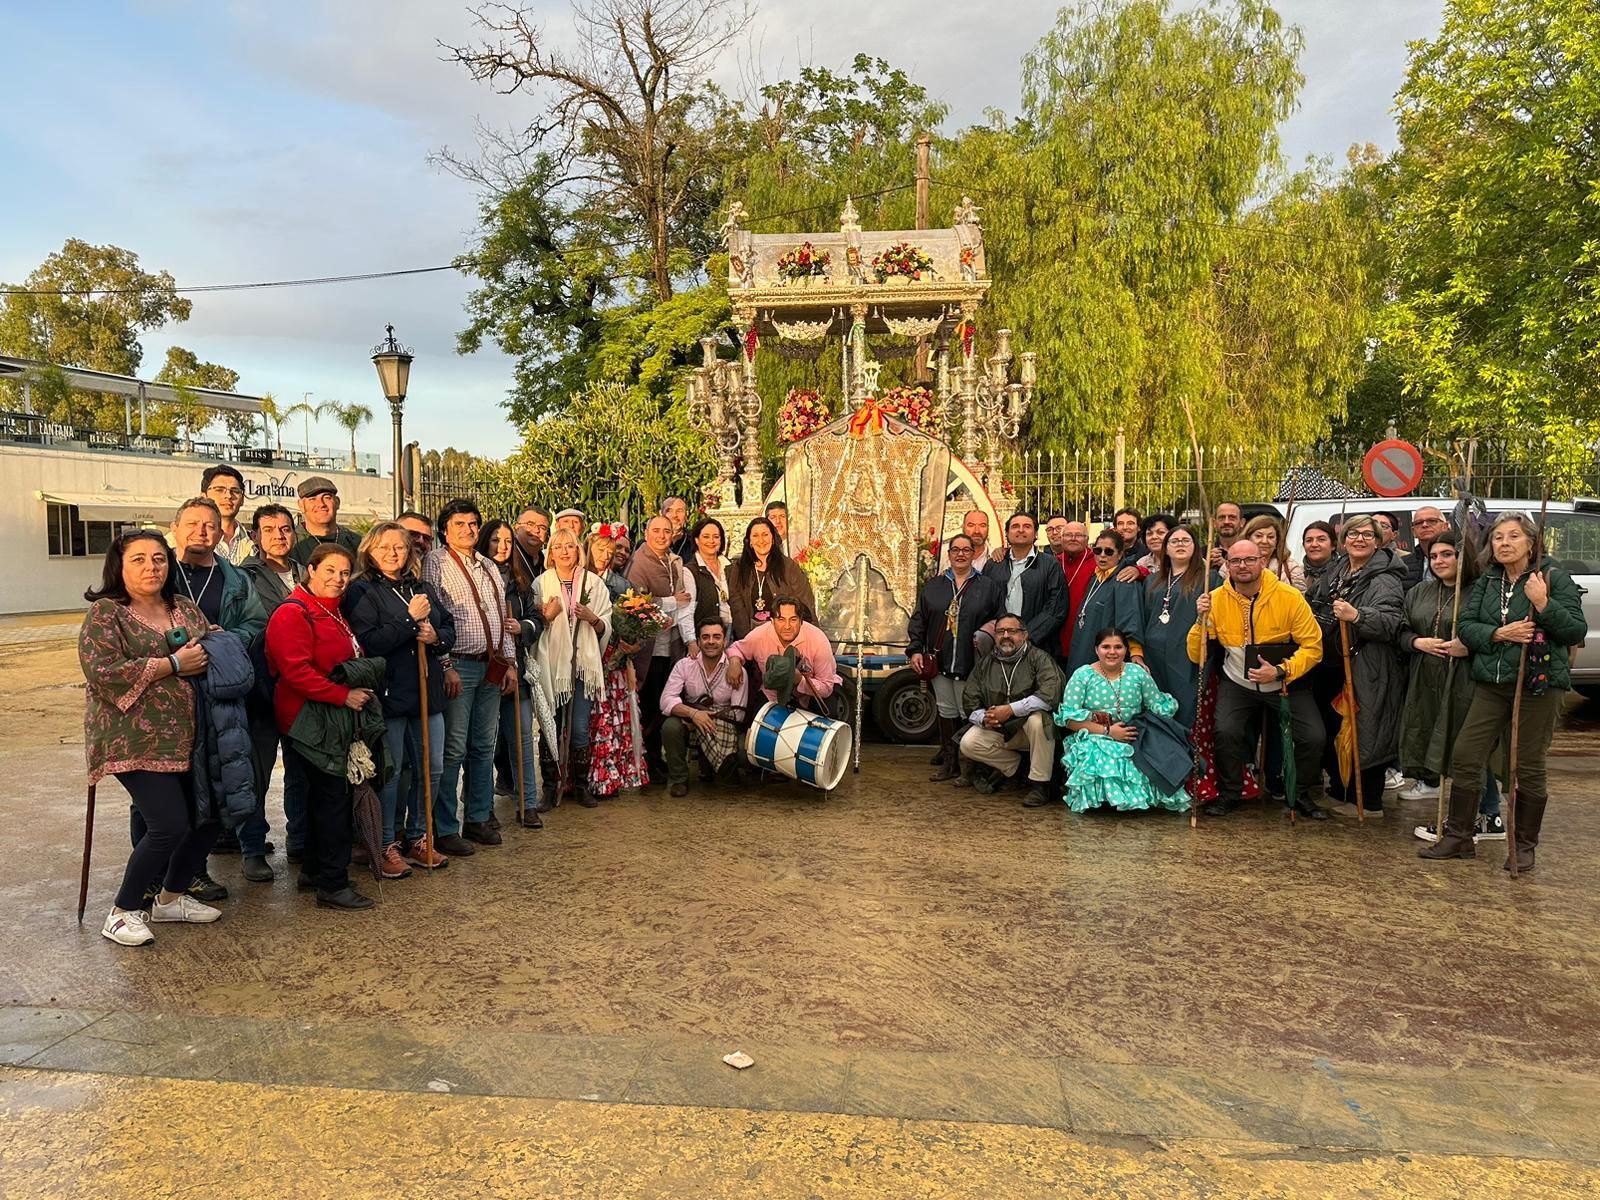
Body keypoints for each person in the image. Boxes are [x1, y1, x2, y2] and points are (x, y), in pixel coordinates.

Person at [1423, 512, 1586, 870]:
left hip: (1537, 686)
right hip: (1492, 684)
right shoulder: (1489, 581)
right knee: (1465, 755)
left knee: (1526, 765)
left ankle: (1524, 846)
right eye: (1498, 538)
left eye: (1514, 536)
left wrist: (1543, 603)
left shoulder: (1553, 578)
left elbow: (1574, 631)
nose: (1505, 543)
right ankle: (1460, 836)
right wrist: (1500, 634)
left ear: (1531, 542)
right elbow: (1466, 626)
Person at [81, 531, 222, 945]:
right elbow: (102, 671)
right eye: (139, 560)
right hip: (134, 740)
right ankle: (122, 911)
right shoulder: (107, 614)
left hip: (192, 736)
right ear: (119, 567)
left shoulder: (184, 608)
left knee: (209, 819)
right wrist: (173, 664)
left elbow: (213, 646)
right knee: (168, 824)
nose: (151, 568)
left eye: (159, 559)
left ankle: (171, 899)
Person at [264, 544, 380, 910]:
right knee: (333, 798)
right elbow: (295, 671)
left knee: (321, 798)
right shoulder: (293, 613)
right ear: (310, 570)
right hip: (307, 720)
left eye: (345, 572)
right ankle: (333, 883)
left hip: (325, 718)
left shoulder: (332, 610)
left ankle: (315, 870)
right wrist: (341, 695)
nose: (338, 579)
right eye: (329, 570)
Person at [165, 496, 266, 897]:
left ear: (221, 531)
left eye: (209, 525)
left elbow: (255, 623)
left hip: (219, 693)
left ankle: (194, 869)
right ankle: (155, 873)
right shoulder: (162, 572)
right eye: (191, 523)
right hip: (169, 694)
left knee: (213, 783)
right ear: (175, 528)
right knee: (165, 788)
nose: (201, 531)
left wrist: (218, 644)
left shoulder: (236, 579)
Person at [344, 522, 456, 873]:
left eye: (400, 547)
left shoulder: (421, 587)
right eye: (385, 547)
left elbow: (449, 628)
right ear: (370, 552)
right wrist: (409, 623)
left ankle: (419, 836)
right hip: (390, 695)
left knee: (431, 767)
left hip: (427, 692)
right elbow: (369, 642)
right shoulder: (362, 592)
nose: (393, 553)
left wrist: (435, 635)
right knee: (391, 773)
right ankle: (385, 842)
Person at [1190, 539, 1325, 819]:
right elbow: (1196, 656)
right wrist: (1200, 620)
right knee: (1226, 731)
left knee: (1313, 736)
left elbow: (1314, 647)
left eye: (1250, 559)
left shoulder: (1289, 597)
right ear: (1227, 565)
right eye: (1236, 561)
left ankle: (1298, 793)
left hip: (1285, 681)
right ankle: (1230, 792)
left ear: (1263, 562)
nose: (1243, 566)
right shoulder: (1214, 599)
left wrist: (1280, 670)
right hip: (1237, 682)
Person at [1396, 531, 1506, 843]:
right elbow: (1401, 629)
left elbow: (1497, 632)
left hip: (1468, 680)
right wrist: (1417, 641)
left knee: (1468, 748)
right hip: (1427, 680)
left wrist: (1469, 645)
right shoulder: (1420, 591)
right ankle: (1471, 816)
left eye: (1447, 554)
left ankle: (1481, 816)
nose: (1439, 561)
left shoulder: (1481, 591)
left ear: (1463, 557)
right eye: (1434, 556)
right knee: (1444, 744)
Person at [424, 498, 518, 853]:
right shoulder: (436, 562)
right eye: (460, 524)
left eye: (473, 524)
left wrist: (508, 661)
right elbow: (434, 617)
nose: (468, 530)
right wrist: (445, 665)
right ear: (445, 529)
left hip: (491, 663)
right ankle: (446, 827)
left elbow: (501, 615)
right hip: (458, 664)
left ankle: (478, 817)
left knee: (483, 746)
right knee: (454, 748)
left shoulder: (489, 566)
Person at [1307, 515, 1407, 818]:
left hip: (1367, 665)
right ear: (1344, 540)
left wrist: (1358, 616)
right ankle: (1340, 791)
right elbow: (1315, 600)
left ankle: (1367, 802)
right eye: (1353, 534)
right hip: (1334, 663)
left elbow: (1391, 623)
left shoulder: (1385, 578)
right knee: (1336, 728)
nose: (1359, 539)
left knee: (1365, 729)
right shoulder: (1338, 569)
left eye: (1367, 534)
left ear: (1378, 541)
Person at [239, 503, 304, 883]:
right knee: (257, 772)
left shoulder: (307, 571)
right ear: (256, 535)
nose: (279, 535)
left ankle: (298, 839)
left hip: (304, 688)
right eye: (270, 529)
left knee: (300, 768)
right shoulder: (245, 576)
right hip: (263, 687)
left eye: (285, 528)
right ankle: (252, 847)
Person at [907, 533, 1006, 781]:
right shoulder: (935, 586)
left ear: (974, 554)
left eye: (966, 549)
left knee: (969, 711)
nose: (961, 554)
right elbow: (919, 620)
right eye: (955, 550)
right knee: (945, 710)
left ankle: (972, 766)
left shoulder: (988, 587)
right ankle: (950, 763)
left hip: (971, 662)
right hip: (940, 660)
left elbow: (999, 620)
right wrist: (916, 649)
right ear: (949, 554)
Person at [1058, 628, 1186, 813]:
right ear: (1096, 649)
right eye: (1106, 647)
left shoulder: (1137, 673)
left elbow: (1158, 704)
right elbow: (1069, 720)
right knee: (1099, 753)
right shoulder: (1082, 676)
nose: (1112, 652)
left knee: (1152, 753)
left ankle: (1138, 801)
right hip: (1095, 734)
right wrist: (1108, 732)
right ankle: (1105, 801)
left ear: (1126, 650)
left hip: (1132, 732)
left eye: (1118, 647)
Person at [532, 528, 612, 807]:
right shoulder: (540, 584)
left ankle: (580, 785)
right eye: (558, 546)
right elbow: (535, 625)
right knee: (549, 726)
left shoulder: (593, 583)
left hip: (582, 666)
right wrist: (547, 616)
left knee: (579, 728)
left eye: (570, 546)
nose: (565, 551)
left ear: (579, 549)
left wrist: (592, 618)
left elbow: (606, 626)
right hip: (551, 665)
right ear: (550, 553)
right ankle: (550, 786)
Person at [957, 615, 1063, 807]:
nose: (1006, 636)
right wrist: (985, 718)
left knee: (1039, 721)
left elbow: (1050, 695)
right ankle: (1016, 768)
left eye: (1012, 631)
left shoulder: (1039, 658)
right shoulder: (986, 663)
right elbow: (970, 699)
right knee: (968, 742)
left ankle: (1041, 785)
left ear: (1024, 635)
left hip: (1029, 732)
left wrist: (1010, 710)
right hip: (1000, 730)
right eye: (1000, 632)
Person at [626, 515, 698, 781]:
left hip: (671, 646)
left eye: (666, 531)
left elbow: (685, 601)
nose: (661, 535)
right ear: (646, 533)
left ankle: (657, 760)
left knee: (662, 705)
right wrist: (671, 601)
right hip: (650, 649)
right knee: (649, 705)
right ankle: (647, 762)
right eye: (656, 530)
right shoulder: (639, 562)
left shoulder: (672, 560)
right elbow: (636, 603)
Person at [481, 518, 541, 819]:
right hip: (485, 670)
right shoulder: (475, 576)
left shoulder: (520, 582)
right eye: (495, 540)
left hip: (516, 667)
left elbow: (536, 619)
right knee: (482, 741)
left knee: (522, 738)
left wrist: (524, 626)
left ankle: (528, 803)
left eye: (507, 541)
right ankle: (482, 809)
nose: (502, 547)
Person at [1134, 525, 1214, 729]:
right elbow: (1142, 617)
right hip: (1154, 658)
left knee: (1185, 712)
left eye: (1186, 540)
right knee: (1156, 711)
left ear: (1195, 547)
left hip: (1186, 659)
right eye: (1174, 541)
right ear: (1166, 549)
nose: (1180, 545)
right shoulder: (1152, 581)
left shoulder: (1208, 579)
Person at [586, 530, 644, 800]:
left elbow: (635, 620)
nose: (606, 555)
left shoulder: (622, 585)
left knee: (612, 718)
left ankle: (611, 776)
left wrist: (632, 642)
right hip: (588, 658)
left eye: (610, 550)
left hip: (616, 660)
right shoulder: (580, 580)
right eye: (600, 548)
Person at [660, 617, 747, 796]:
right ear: (698, 641)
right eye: (705, 637)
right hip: (690, 720)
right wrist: (693, 714)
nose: (711, 642)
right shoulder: (685, 665)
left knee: (745, 751)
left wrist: (706, 718)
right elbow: (666, 700)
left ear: (725, 640)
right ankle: (679, 779)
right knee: (670, 727)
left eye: (716, 637)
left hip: (724, 726)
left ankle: (720, 768)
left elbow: (738, 714)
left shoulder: (736, 669)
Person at [725, 596, 841, 711]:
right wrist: (735, 662)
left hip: (812, 695)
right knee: (758, 719)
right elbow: (737, 648)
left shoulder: (818, 640)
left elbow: (826, 687)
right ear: (772, 621)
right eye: (781, 619)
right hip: (773, 695)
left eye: (793, 619)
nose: (787, 626)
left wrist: (800, 680)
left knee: (828, 711)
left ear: (801, 621)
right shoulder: (760, 635)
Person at [986, 512, 1068, 655]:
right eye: (1015, 526)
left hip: (1038, 644)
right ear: (1007, 533)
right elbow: (984, 601)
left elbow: (1057, 607)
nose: (1021, 530)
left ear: (1036, 534)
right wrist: (1002, 631)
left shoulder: (1050, 564)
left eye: (1027, 526)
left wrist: (1027, 634)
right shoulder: (994, 564)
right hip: (999, 641)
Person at [1063, 530, 1142, 675]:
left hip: (1106, 657)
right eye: (1098, 550)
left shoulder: (1124, 581)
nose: (1102, 555)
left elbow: (1130, 620)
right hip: (1083, 647)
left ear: (1120, 554)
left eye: (1109, 552)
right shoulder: (1096, 577)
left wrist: (1136, 652)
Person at [728, 517, 815, 640]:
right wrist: (747, 639)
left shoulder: (788, 566)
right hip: (751, 633)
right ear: (749, 541)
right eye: (756, 536)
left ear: (773, 538)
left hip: (785, 634)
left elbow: (805, 600)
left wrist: (811, 636)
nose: (761, 540)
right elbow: (736, 603)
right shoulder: (740, 567)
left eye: (765, 535)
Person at [1046, 516, 1095, 659]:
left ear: (1087, 539)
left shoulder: (1098, 561)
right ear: (1061, 539)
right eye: (1068, 535)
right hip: (1055, 635)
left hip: (1085, 632)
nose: (1073, 538)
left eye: (1079, 535)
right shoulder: (1052, 563)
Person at [288, 477, 362, 568]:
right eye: (312, 499)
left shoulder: (357, 543)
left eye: (327, 497)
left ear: (337, 502)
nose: (321, 504)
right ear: (301, 505)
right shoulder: (290, 543)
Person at [686, 518, 732, 637]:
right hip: (707, 638)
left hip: (733, 634)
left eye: (716, 537)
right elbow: (687, 611)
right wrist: (690, 641)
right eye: (706, 537)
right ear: (696, 540)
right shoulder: (690, 571)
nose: (711, 541)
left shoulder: (730, 566)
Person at [201, 464, 254, 563]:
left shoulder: (255, 543)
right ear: (204, 496)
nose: (228, 496)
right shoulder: (181, 540)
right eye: (219, 490)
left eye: (235, 491)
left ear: (242, 499)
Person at [1242, 513, 1305, 590]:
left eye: (1270, 537)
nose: (1265, 541)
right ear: (1248, 538)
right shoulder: (1234, 565)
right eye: (1258, 536)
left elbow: (1301, 599)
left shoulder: (1290, 567)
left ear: (1277, 541)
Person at [1401, 506, 1449, 592]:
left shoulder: (1459, 559)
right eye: (1419, 523)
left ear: (1445, 526)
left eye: (1432, 521)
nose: (1425, 525)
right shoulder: (1402, 565)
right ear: (1413, 531)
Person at [1300, 521, 1338, 592]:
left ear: (1333, 545)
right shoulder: (1296, 574)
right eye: (1309, 540)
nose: (1314, 544)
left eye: (1321, 539)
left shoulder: (1343, 573)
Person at [1207, 501, 1246, 568]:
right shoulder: (1203, 553)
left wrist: (1225, 566)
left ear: (1242, 522)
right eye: (1222, 517)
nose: (1226, 522)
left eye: (1232, 517)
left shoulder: (1250, 552)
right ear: (1214, 523)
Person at [514, 505, 550, 576]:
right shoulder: (507, 555)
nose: (536, 530)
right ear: (517, 526)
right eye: (530, 524)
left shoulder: (546, 562)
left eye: (542, 527)